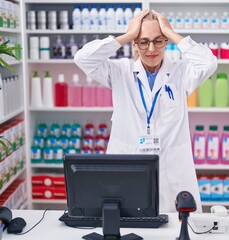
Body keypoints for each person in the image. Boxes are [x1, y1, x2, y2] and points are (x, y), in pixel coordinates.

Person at [74, 9, 217, 213]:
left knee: (177, 228)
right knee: (126, 225)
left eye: (159, 40)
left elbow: (209, 62)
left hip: (171, 170)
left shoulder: (180, 72)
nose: (151, 48)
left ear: (166, 41)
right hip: (127, 168)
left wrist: (171, 32)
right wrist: (127, 35)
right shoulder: (120, 71)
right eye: (143, 41)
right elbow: (83, 58)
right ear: (134, 43)